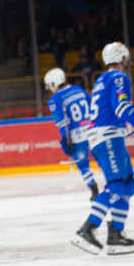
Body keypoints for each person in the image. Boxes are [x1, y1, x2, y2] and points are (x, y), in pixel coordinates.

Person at [71, 42, 134, 256]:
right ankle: (87, 229)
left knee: (128, 185)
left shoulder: (101, 79)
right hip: (108, 138)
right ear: (122, 58)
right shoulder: (119, 77)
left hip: (107, 137)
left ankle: (115, 236)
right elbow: (121, 108)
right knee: (116, 185)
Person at [44, 68, 98, 200]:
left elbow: (62, 123)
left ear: (53, 84)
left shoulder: (54, 99)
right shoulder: (78, 89)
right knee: (102, 157)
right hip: (93, 131)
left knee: (82, 164)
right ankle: (113, 183)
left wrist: (65, 141)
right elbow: (94, 106)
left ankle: (93, 188)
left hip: (77, 136)